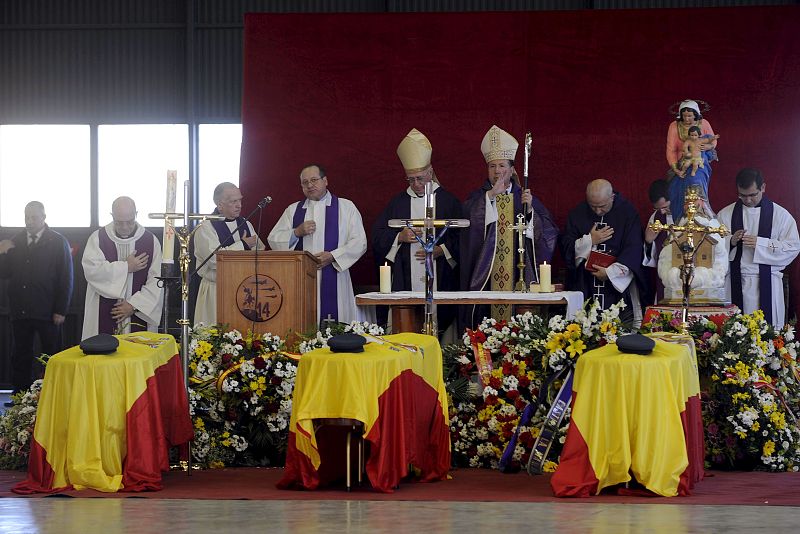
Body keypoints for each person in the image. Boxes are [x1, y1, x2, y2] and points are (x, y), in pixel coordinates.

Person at [461, 125, 559, 326]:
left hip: (517, 270)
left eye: (502, 166)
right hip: (488, 274)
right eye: (492, 166)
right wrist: (490, 197)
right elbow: (468, 226)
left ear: (512, 169)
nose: (497, 171)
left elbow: (548, 232)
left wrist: (530, 211)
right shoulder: (479, 198)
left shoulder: (523, 198)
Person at [372, 128, 463, 331]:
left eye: (420, 178)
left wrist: (443, 250)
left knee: (440, 326)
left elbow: (464, 238)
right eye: (411, 179)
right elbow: (378, 235)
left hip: (440, 274)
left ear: (430, 172)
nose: (416, 184)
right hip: (406, 277)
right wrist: (399, 237)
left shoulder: (448, 202)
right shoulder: (397, 203)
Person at [268, 164, 367, 324]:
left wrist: (333, 256)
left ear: (325, 181)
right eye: (305, 182)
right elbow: (273, 239)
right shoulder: (293, 210)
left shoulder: (345, 207)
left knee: (336, 327)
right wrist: (296, 232)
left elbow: (359, 242)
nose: (309, 185)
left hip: (335, 275)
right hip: (302, 278)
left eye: (314, 180)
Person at [0, 201, 73, 398]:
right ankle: (20, 398)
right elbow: (5, 273)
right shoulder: (15, 241)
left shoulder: (58, 242)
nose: (29, 222)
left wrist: (61, 309)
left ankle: (53, 397)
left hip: (49, 311)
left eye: (34, 217)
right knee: (20, 357)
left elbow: (66, 277)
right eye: (26, 217)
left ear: (44, 217)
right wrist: (2, 253)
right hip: (20, 310)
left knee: (51, 356)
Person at [717, 168, 800, 328]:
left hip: (767, 283)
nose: (747, 200)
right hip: (735, 282)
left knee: (766, 337)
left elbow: (793, 247)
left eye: (752, 195)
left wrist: (761, 244)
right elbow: (712, 250)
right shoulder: (725, 214)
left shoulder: (780, 215)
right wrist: (731, 241)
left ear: (763, 188)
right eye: (742, 195)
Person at [561, 179, 647, 326]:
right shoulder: (578, 213)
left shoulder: (627, 213)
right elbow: (566, 246)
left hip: (617, 286)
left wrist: (610, 273)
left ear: (612, 197)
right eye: (593, 206)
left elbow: (634, 248)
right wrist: (590, 240)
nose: (597, 211)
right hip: (586, 283)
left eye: (602, 206)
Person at [82, 196, 163, 340]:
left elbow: (157, 281)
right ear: (112, 216)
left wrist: (133, 305)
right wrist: (126, 267)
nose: (125, 227)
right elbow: (92, 271)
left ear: (136, 214)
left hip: (138, 314)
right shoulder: (98, 238)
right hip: (102, 313)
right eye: (119, 222)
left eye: (129, 222)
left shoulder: (150, 241)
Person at [194, 182, 262, 326]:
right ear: (220, 205)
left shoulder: (246, 224)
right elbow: (214, 259)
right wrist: (243, 244)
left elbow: (260, 251)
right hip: (216, 290)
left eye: (240, 200)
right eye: (233, 201)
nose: (239, 205)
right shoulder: (206, 227)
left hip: (244, 289)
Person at [657, 188, 728, 304]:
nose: (690, 205)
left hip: (706, 285)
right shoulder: (678, 227)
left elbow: (719, 256)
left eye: (695, 200)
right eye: (686, 202)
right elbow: (668, 253)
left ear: (702, 202)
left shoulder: (713, 226)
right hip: (679, 279)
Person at [666, 99, 719, 221]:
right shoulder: (674, 127)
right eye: (684, 116)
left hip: (700, 161)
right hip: (682, 164)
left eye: (690, 116)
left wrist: (709, 146)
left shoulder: (704, 123)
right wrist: (676, 169)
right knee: (677, 190)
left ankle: (700, 209)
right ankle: (682, 218)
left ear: (696, 114)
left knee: (695, 178)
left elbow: (712, 139)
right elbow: (671, 150)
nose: (687, 119)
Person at [643, 179, 673, 304]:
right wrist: (648, 242)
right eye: (657, 208)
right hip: (665, 275)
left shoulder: (688, 213)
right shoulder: (656, 217)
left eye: (665, 207)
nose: (662, 211)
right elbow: (652, 257)